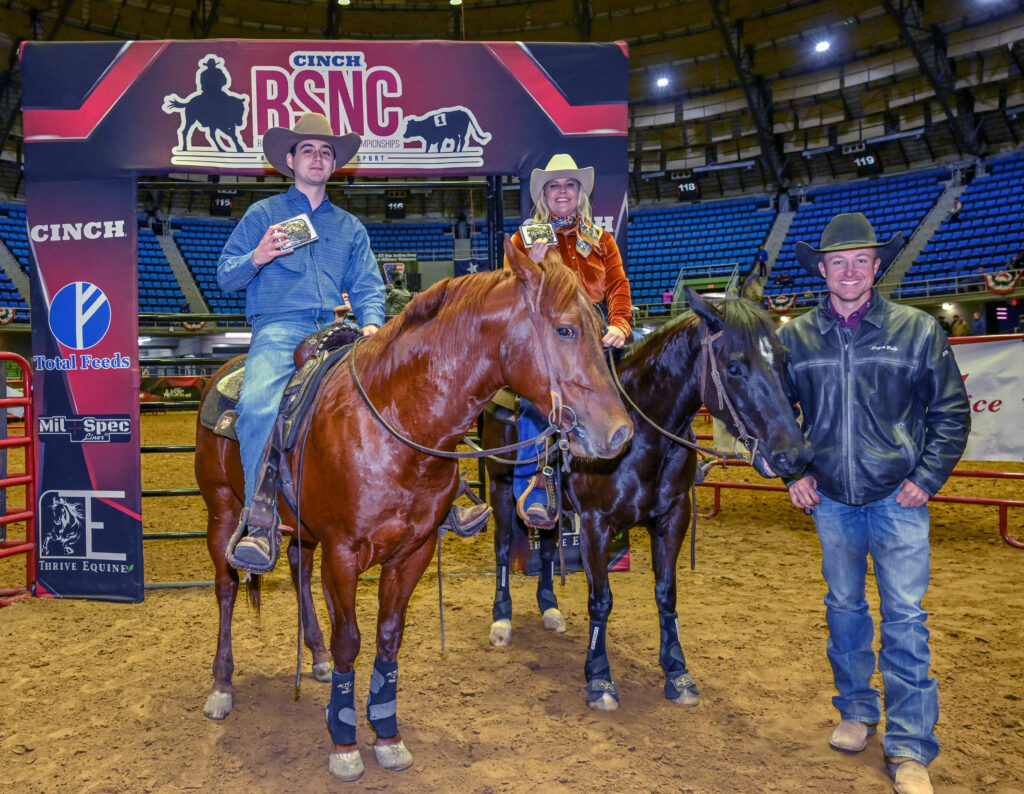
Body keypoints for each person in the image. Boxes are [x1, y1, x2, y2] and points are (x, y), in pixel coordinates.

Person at [778, 212, 970, 794]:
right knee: (844, 608)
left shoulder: (917, 330)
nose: (849, 271)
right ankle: (857, 711)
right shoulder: (795, 338)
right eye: (838, 262)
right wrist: (791, 474)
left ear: (877, 266)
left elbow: (951, 412)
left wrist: (927, 478)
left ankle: (909, 745)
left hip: (899, 499)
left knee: (905, 617)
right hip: (831, 499)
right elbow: (774, 416)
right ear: (822, 270)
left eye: (861, 260)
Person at [216, 113, 386, 571]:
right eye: (308, 150)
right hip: (279, 327)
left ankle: (429, 501)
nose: (318, 157)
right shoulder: (262, 215)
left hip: (336, 329)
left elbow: (368, 285)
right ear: (290, 160)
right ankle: (259, 519)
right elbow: (226, 275)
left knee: (392, 392)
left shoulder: (350, 227)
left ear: (334, 164)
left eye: (326, 151)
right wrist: (258, 255)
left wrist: (373, 324)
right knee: (257, 405)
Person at [507, 153, 632, 529]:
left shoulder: (601, 239)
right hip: (546, 339)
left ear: (580, 193)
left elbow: (618, 285)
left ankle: (659, 464)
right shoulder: (524, 238)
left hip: (593, 334)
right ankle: (533, 487)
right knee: (534, 402)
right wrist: (531, 265)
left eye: (570, 185)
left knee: (643, 380)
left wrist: (621, 324)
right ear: (544, 195)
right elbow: (507, 292)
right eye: (555, 186)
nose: (562, 191)